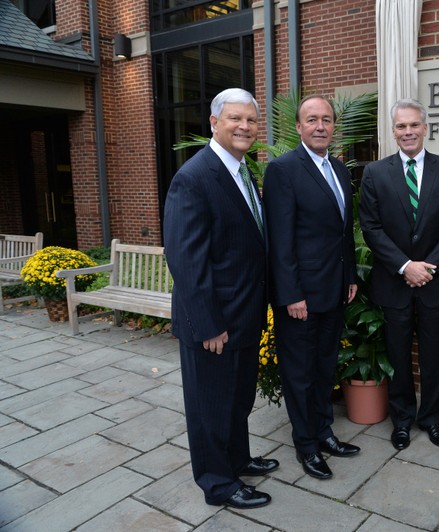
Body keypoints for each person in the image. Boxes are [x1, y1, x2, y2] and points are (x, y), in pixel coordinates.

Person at [163, 88, 278, 509]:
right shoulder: (194, 177)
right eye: (235, 118)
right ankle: (218, 483)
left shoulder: (245, 171)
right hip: (214, 324)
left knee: (238, 399)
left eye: (250, 119)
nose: (244, 126)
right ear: (214, 122)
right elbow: (186, 259)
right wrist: (209, 323)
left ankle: (238, 459)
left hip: (245, 316)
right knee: (211, 407)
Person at [359, 98, 439, 451]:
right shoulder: (375, 173)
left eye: (414, 125)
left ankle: (432, 420)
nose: (408, 131)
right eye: (401, 126)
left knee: (436, 356)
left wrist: (426, 268)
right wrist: (406, 266)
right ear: (393, 131)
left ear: (425, 127)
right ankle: (402, 421)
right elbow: (371, 227)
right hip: (394, 283)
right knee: (398, 356)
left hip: (436, 284)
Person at [262, 95, 359, 480]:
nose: (321, 126)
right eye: (312, 120)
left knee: (323, 367)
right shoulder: (283, 170)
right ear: (298, 127)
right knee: (299, 373)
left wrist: (350, 275)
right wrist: (290, 294)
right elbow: (280, 241)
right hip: (301, 296)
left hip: (334, 290)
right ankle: (305, 445)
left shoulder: (338, 168)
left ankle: (324, 432)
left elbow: (343, 232)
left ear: (334, 126)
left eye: (327, 119)